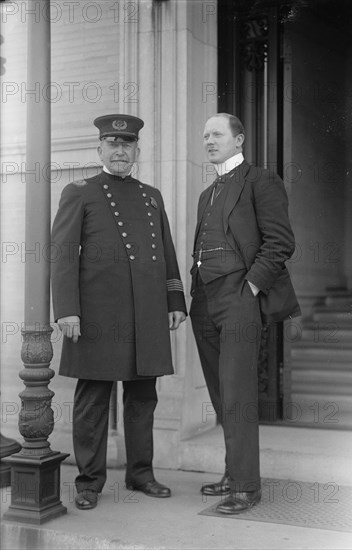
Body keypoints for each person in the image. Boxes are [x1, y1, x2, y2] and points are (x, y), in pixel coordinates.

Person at [51, 114, 187, 510]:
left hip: (146, 314)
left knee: (143, 397)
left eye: (127, 145)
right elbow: (62, 256)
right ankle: (89, 482)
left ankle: (141, 474)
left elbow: (166, 252)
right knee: (93, 401)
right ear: (100, 149)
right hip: (96, 316)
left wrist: (175, 300)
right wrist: (67, 310)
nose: (120, 151)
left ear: (137, 150)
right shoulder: (80, 191)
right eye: (112, 144)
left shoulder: (151, 196)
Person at [190, 113, 300, 515]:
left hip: (238, 297)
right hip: (204, 300)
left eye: (217, 134)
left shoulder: (261, 181)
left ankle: (247, 487)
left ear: (239, 140)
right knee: (222, 396)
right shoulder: (208, 193)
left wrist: (250, 287)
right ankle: (232, 474)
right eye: (205, 136)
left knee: (237, 395)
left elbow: (280, 242)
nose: (209, 141)